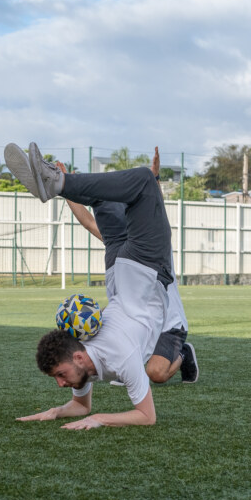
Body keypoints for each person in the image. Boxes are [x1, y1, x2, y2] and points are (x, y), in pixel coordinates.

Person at [4, 142, 199, 429]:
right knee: (133, 186)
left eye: (60, 375)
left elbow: (128, 414)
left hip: (128, 268)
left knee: (128, 188)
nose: (60, 384)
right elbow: (98, 409)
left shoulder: (98, 352)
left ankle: (57, 183)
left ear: (77, 356)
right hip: (137, 271)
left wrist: (91, 418)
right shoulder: (96, 359)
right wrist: (60, 412)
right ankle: (57, 183)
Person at [56, 149, 196, 387]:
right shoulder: (120, 248)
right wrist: (67, 191)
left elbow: (156, 210)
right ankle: (61, 183)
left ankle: (183, 353)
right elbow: (89, 222)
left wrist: (155, 180)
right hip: (132, 321)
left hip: (168, 323)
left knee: (156, 373)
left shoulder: (151, 248)